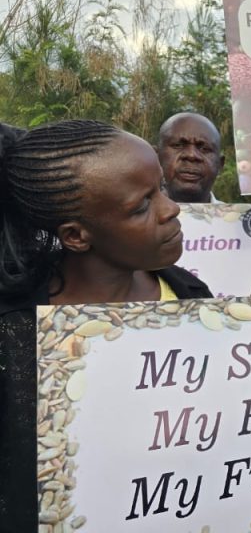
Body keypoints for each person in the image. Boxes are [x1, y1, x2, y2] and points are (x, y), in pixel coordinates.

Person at [0, 120, 213, 530]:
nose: (171, 209)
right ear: (77, 235)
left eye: (162, 190)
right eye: (141, 206)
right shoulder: (17, 336)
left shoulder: (189, 293)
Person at [156, 112, 224, 203]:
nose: (191, 155)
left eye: (204, 148)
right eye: (178, 145)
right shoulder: (133, 216)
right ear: (156, 157)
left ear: (220, 164)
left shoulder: (240, 217)